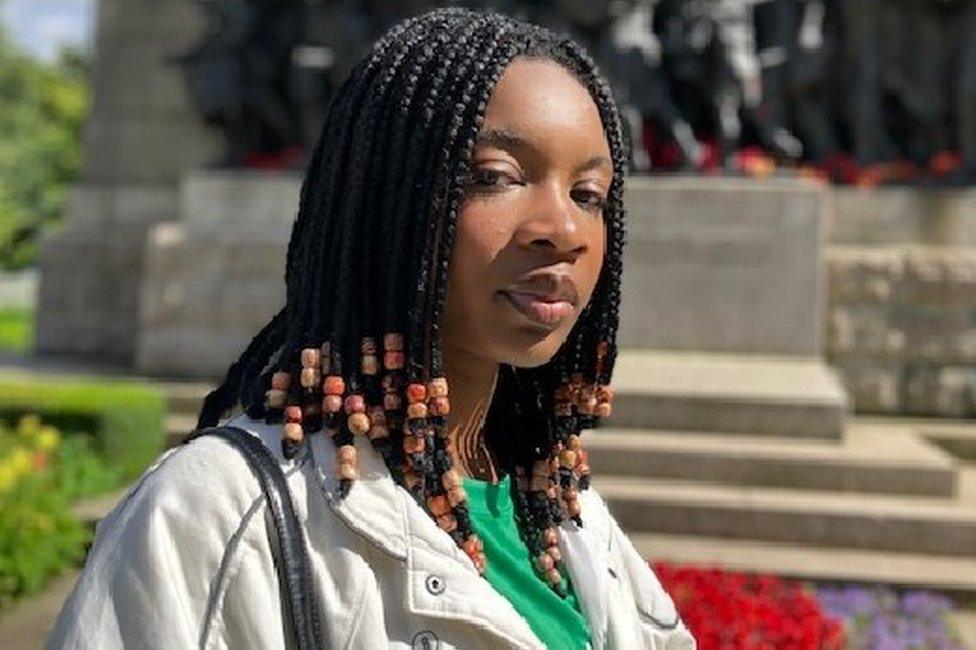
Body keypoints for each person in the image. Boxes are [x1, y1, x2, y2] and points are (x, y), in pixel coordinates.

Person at [47, 8, 696, 649]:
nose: (564, 231)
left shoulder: (565, 514)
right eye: (497, 178)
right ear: (385, 196)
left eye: (589, 195)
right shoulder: (212, 515)